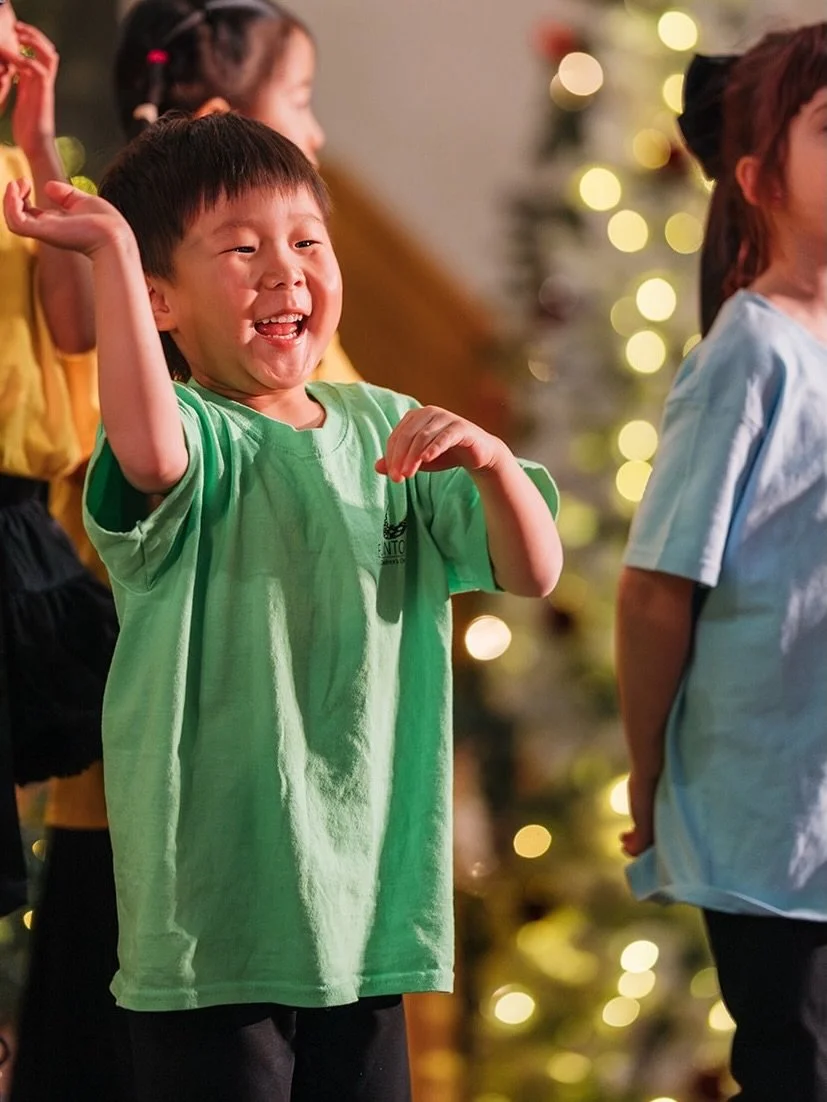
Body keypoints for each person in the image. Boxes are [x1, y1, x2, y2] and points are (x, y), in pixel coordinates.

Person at [3, 111, 562, 1101]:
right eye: (243, 247)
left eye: (306, 240)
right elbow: (146, 446)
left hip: (373, 921)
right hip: (215, 932)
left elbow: (532, 570)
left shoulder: (388, 425)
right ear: (161, 300)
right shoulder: (188, 437)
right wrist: (111, 254)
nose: (284, 269)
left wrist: (489, 462)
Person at [15, 4, 355, 1095]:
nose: (318, 132)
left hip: (285, 787)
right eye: (298, 103)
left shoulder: (305, 334)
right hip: (169, 786)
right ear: (217, 120)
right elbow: (144, 438)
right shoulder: (191, 346)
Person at [616, 23, 827, 1099]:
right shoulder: (747, 350)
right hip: (767, 815)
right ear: (756, 179)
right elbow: (656, 589)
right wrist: (647, 770)